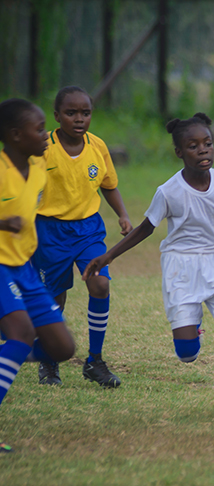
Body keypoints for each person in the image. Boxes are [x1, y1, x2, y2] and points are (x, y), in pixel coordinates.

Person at [82, 113, 214, 413]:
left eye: (208, 143)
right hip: (180, 267)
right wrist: (109, 255)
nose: (203, 150)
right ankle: (193, 329)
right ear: (179, 152)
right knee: (187, 354)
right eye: (193, 146)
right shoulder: (168, 191)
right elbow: (146, 228)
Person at [31, 86, 132, 388]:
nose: (79, 119)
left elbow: (108, 184)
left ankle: (95, 361)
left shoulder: (97, 147)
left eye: (85, 113)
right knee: (55, 299)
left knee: (99, 284)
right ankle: (49, 362)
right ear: (57, 115)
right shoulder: (43, 147)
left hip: (88, 229)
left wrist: (123, 215)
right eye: (71, 113)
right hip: (49, 231)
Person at [0, 98, 76, 453]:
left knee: (61, 348)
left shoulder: (39, 162)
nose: (47, 134)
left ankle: (10, 353)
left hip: (25, 268)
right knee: (21, 332)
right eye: (39, 128)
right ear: (15, 135)